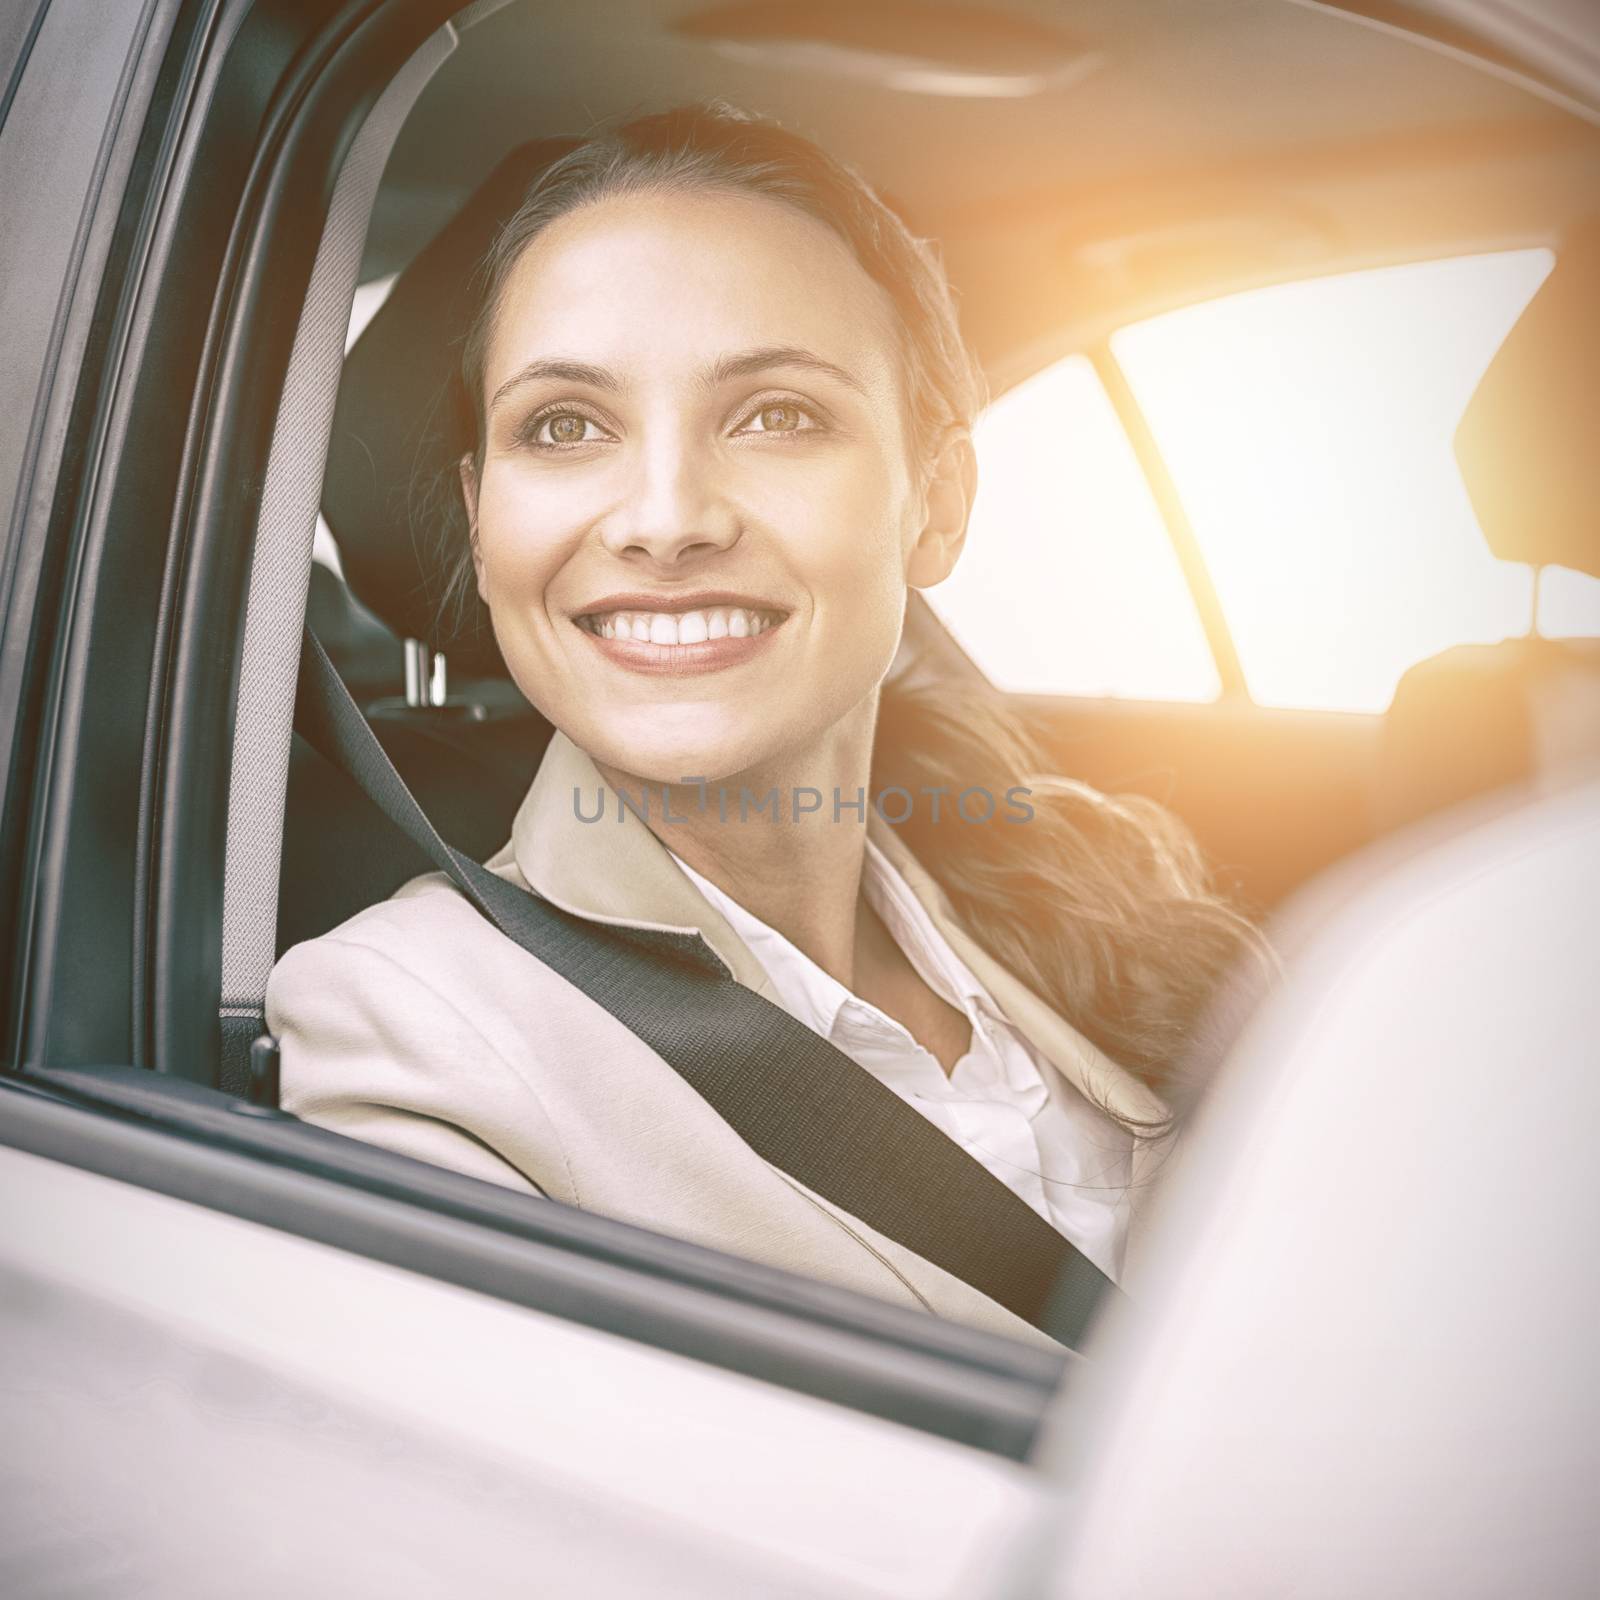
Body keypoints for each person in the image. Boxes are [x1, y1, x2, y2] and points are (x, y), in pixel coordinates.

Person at [267, 103, 1266, 1347]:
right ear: (480, 518)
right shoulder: (404, 1028)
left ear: (936, 502)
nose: (666, 517)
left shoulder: (1096, 880)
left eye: (775, 414)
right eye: (563, 427)